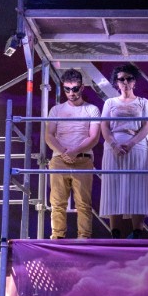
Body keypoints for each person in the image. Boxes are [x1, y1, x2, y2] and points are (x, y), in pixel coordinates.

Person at [45, 68, 101, 239]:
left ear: (82, 87)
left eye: (75, 89)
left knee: (83, 203)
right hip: (59, 159)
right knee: (57, 202)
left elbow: (94, 137)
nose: (71, 93)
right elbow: (48, 136)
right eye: (67, 89)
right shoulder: (56, 110)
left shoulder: (91, 109)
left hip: (83, 160)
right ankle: (57, 237)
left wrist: (75, 152)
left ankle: (84, 238)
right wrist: (64, 152)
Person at [99, 64, 148, 239]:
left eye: (129, 78)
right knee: (113, 186)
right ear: (116, 82)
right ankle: (115, 233)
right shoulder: (110, 103)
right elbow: (104, 126)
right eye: (121, 79)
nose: (125, 82)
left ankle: (138, 232)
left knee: (138, 186)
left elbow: (147, 126)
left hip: (136, 147)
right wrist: (114, 144)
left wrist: (131, 143)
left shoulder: (144, 102)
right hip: (113, 147)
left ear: (134, 81)